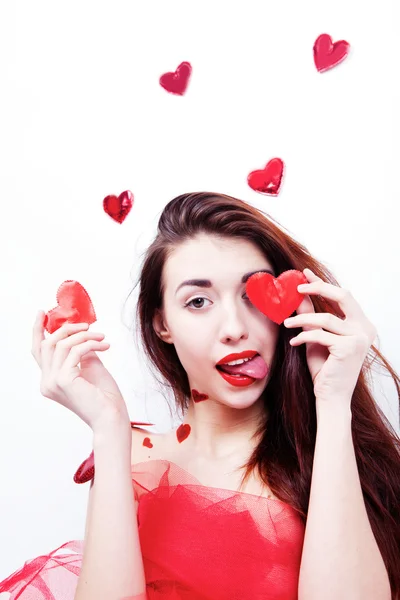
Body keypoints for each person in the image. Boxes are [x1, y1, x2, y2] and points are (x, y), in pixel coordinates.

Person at [0, 192, 399, 600]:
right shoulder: (131, 458)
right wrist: (108, 426)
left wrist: (333, 403)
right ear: (162, 325)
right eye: (198, 301)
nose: (234, 328)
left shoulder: (330, 456)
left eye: (252, 296)